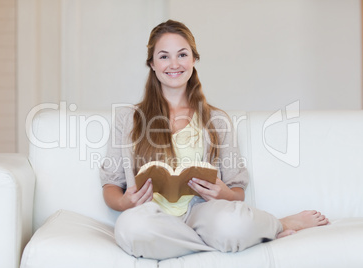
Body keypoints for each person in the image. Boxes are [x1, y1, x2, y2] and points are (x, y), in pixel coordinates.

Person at [100, 19, 329, 260]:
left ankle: (263, 227)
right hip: (150, 216)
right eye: (164, 56)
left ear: (194, 60)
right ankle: (259, 233)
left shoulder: (217, 120)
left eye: (182, 54)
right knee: (130, 229)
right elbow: (110, 184)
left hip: (204, 214)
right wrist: (125, 203)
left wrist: (225, 195)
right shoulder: (128, 119)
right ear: (152, 64)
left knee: (232, 224)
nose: (174, 64)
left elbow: (236, 187)